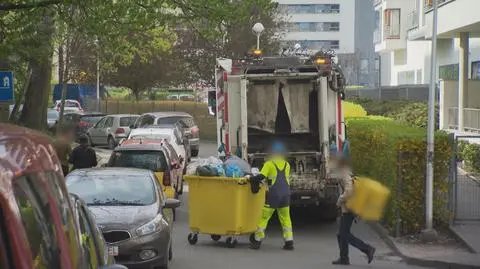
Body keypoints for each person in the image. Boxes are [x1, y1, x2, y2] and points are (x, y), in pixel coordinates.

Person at [331, 153, 375, 265]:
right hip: (349, 207)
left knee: (343, 234)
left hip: (349, 208)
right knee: (341, 234)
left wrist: (339, 201)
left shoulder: (344, 173)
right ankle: (344, 258)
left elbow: (349, 191)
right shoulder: (345, 172)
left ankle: (367, 249)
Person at [250, 141, 294, 251]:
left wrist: (251, 179)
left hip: (274, 194)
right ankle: (289, 242)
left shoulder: (269, 164)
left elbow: (261, 176)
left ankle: (257, 241)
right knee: (286, 219)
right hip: (285, 194)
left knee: (264, 218)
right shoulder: (286, 164)